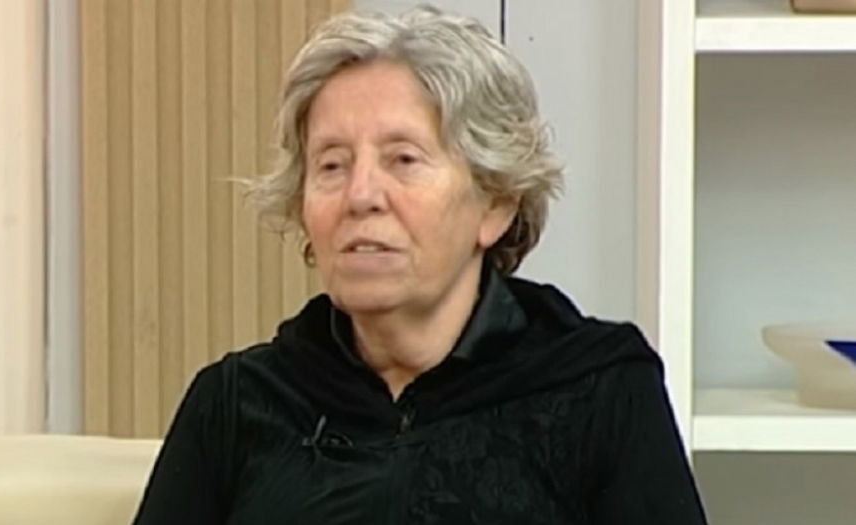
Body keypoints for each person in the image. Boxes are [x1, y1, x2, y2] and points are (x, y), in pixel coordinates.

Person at [131, 5, 708, 525]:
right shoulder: (235, 404)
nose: (361, 195)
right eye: (331, 165)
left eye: (403, 159)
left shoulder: (601, 391)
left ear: (495, 203)